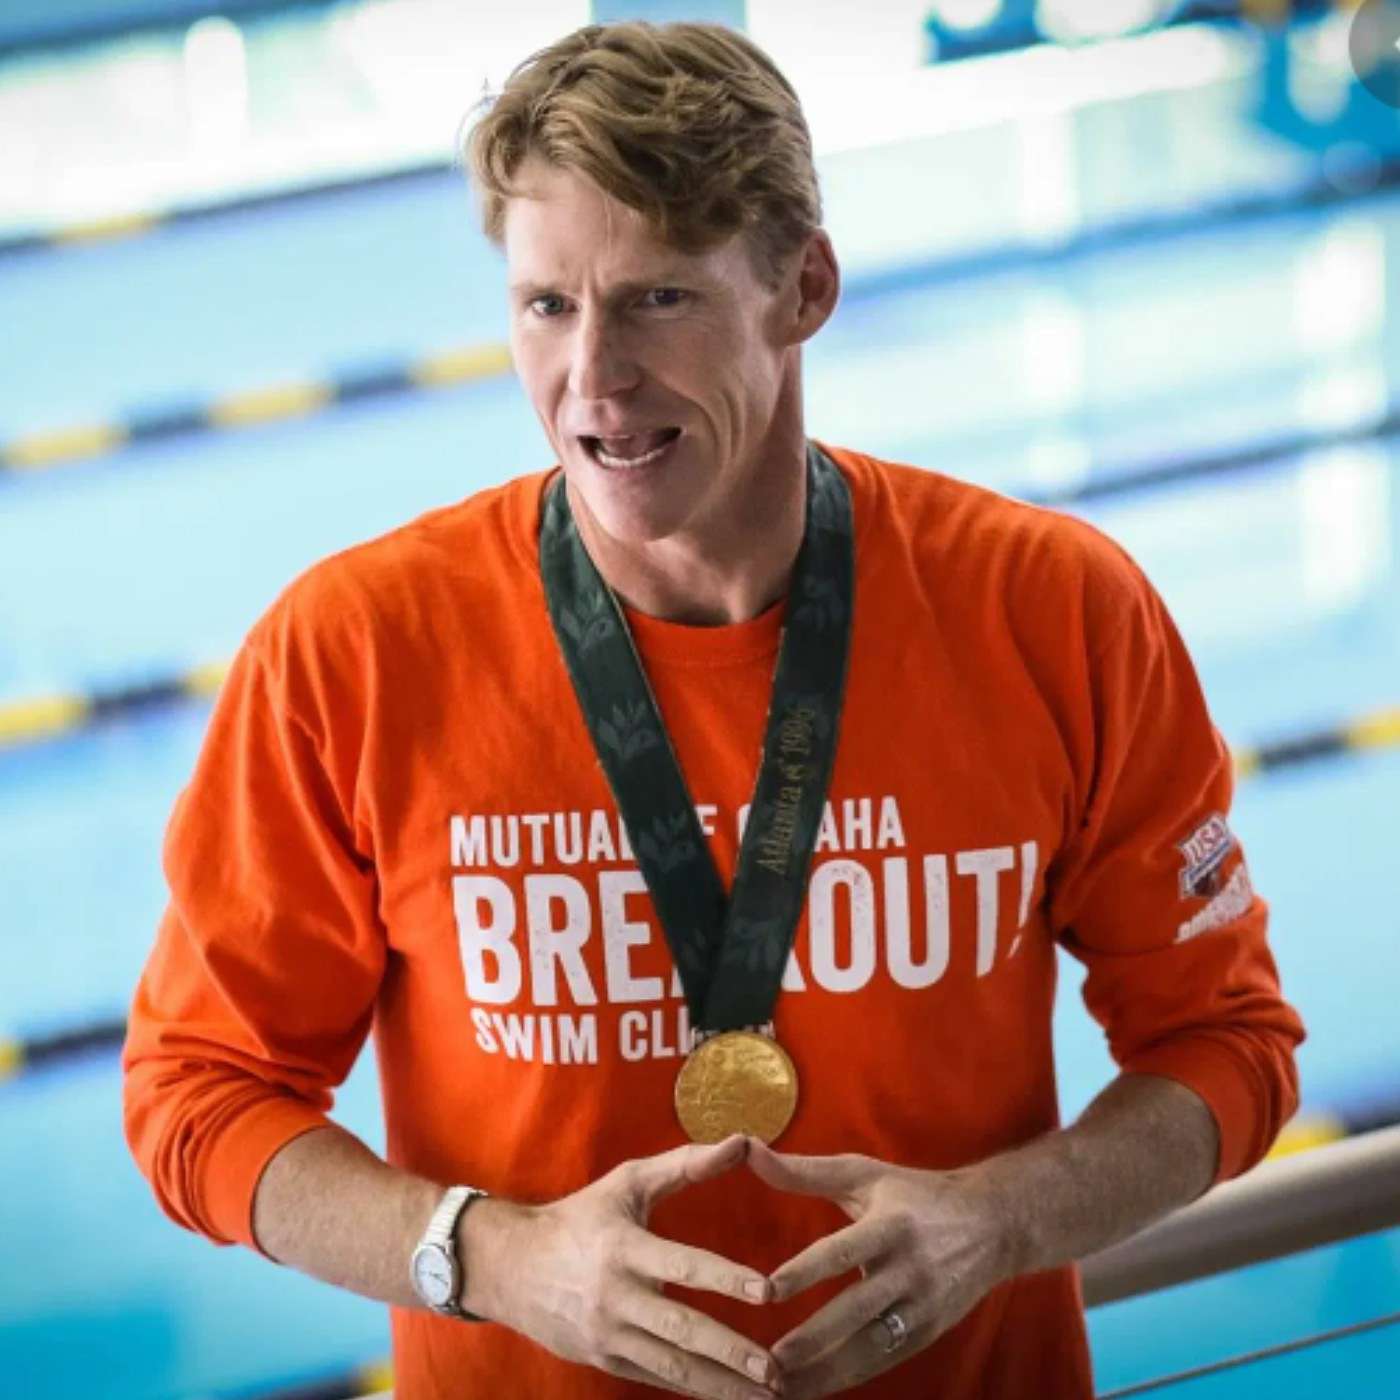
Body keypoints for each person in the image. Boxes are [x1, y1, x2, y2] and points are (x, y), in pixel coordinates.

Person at [122, 19, 1305, 1400]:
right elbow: (196, 1094)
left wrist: (1004, 1220)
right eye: (547, 305)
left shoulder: (1052, 611)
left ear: (805, 290)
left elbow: (1227, 1046)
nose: (595, 378)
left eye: (659, 299)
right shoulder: (355, 653)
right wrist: (487, 1258)